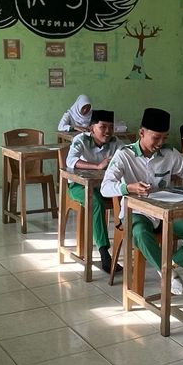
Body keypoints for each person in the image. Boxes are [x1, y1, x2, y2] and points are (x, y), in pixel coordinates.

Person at [100, 108, 183, 295]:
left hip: (166, 211)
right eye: (156, 138)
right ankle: (168, 275)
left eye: (164, 138)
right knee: (141, 233)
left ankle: (168, 268)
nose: (160, 143)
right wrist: (129, 188)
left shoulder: (169, 153)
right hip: (137, 212)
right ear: (142, 133)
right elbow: (105, 187)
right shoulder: (124, 155)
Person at [65, 109, 121, 275]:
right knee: (95, 201)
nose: (108, 131)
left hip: (104, 187)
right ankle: (104, 252)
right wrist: (97, 166)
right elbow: (71, 160)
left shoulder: (116, 142)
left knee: (129, 197)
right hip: (78, 187)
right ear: (91, 129)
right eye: (103, 127)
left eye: (111, 127)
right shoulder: (80, 140)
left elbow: (130, 155)